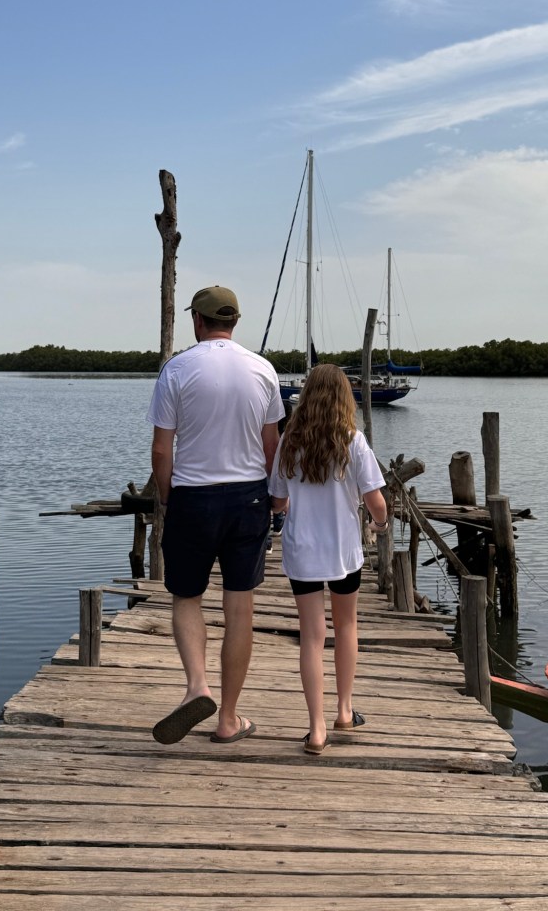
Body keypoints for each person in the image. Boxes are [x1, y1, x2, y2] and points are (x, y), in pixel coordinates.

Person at [147, 285, 284, 745]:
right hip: (248, 497)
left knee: (186, 596)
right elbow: (272, 448)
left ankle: (196, 688)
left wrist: (167, 499)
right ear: (235, 322)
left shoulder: (178, 369)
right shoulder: (263, 369)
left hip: (193, 496)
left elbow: (161, 450)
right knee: (239, 605)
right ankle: (228, 717)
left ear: (198, 322)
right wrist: (273, 499)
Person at [268, 363, 388, 755]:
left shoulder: (290, 441)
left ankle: (316, 730)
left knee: (311, 636)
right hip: (343, 551)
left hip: (302, 549)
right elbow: (377, 502)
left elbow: (278, 499)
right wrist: (380, 523)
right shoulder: (353, 440)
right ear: (343, 397)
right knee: (346, 625)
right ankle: (344, 710)